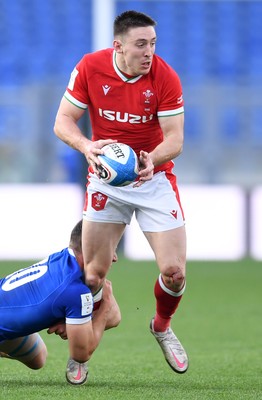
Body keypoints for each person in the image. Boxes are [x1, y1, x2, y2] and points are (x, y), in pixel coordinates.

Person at [54, 10, 188, 373]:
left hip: (153, 178)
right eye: (141, 44)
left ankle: (162, 325)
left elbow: (175, 138)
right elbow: (63, 121)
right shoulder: (91, 67)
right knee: (93, 274)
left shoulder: (165, 76)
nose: (149, 52)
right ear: (118, 45)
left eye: (153, 44)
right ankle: (87, 340)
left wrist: (152, 157)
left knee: (175, 272)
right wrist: (86, 146)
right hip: (105, 179)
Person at [0, 220, 121, 385]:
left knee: (38, 358)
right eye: (110, 251)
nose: (115, 258)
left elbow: (116, 318)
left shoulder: (66, 258)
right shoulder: (75, 290)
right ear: (90, 251)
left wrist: (71, 321)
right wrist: (106, 304)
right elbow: (81, 354)